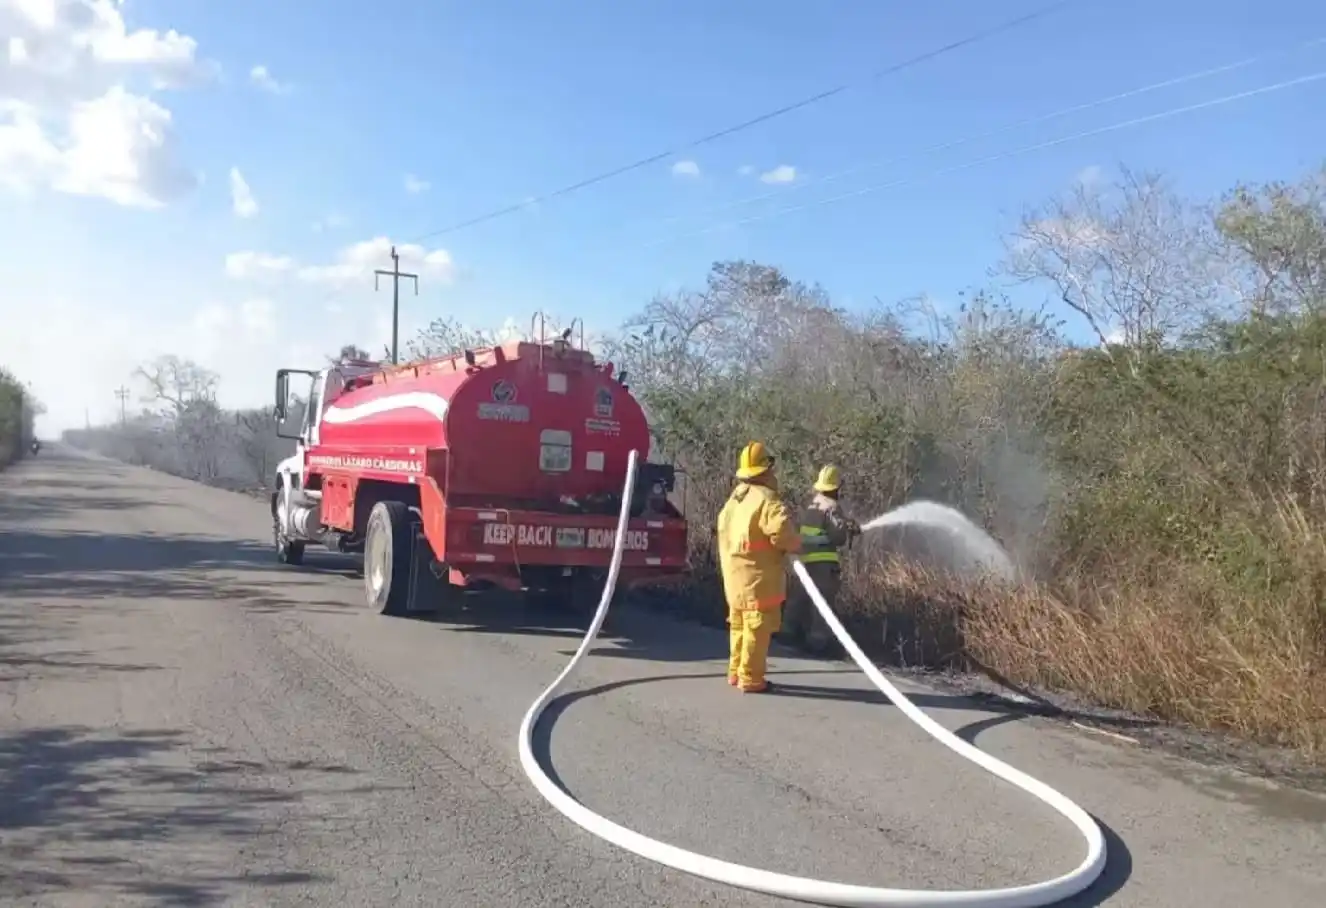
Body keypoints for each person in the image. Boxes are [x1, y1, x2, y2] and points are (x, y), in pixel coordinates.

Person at [716, 441, 800, 693]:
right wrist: (797, 546)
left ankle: (735, 672)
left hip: (734, 581)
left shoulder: (734, 500)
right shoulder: (767, 500)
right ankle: (751, 679)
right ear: (766, 469)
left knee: (738, 626)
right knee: (756, 628)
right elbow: (782, 532)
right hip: (758, 581)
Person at [783, 465, 861, 654]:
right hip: (823, 565)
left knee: (798, 598)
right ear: (836, 487)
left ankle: (786, 633)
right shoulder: (832, 507)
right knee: (822, 604)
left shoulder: (812, 505)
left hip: (804, 560)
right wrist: (847, 529)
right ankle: (817, 644)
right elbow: (838, 537)